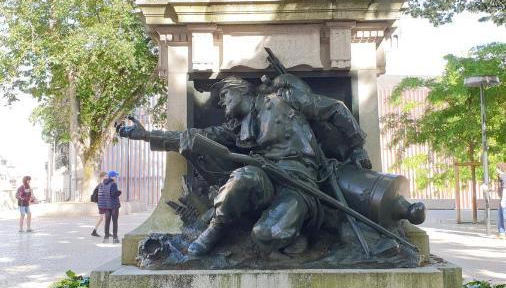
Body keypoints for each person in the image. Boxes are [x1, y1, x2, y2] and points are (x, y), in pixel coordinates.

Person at [117, 73, 372, 259]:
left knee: (267, 234)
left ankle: (297, 229)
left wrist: (357, 146)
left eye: (225, 95)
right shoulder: (237, 128)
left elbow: (336, 109)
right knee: (243, 176)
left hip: (299, 181)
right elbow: (194, 137)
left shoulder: (285, 98)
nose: (222, 104)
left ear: (243, 91)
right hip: (267, 178)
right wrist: (147, 135)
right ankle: (213, 232)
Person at [97, 171, 121, 243]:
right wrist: (119, 192)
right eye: (115, 176)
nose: (116, 178)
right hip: (114, 206)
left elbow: (102, 195)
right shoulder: (113, 184)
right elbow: (113, 194)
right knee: (115, 222)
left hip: (107, 206)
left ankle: (106, 238)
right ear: (112, 177)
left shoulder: (103, 184)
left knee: (107, 222)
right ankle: (115, 238)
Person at [90, 171, 108, 237]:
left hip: (102, 203)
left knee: (103, 218)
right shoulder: (102, 184)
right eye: (106, 176)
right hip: (102, 204)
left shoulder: (101, 184)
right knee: (102, 218)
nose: (107, 177)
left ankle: (95, 231)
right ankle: (97, 231)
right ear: (102, 177)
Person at [496, 163, 506, 239]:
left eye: (497, 168)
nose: (496, 170)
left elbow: (505, 189)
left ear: (500, 169)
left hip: (504, 199)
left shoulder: (503, 177)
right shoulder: (501, 177)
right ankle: (501, 232)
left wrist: (503, 200)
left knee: (503, 216)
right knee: (500, 215)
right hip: (502, 199)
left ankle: (502, 232)